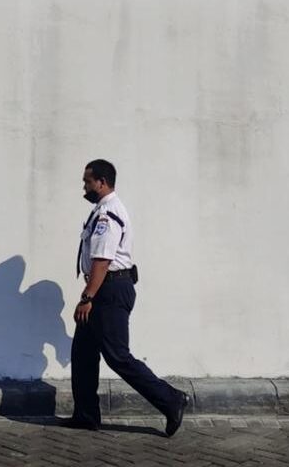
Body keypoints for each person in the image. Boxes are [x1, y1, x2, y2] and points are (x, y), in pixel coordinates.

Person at [63, 158, 188, 436]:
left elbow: (102, 259)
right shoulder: (101, 210)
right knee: (83, 353)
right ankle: (86, 415)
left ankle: (171, 399)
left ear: (102, 182)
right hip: (104, 287)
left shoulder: (108, 214)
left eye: (87, 181)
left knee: (118, 356)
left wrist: (87, 297)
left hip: (109, 289)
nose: (84, 187)